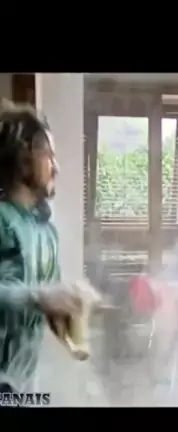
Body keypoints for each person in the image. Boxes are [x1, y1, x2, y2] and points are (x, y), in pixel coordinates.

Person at [0, 100, 88, 394]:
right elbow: (34, 296)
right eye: (48, 156)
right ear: (23, 160)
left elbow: (47, 301)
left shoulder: (47, 233)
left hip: (24, 385)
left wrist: (69, 308)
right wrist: (41, 296)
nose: (57, 168)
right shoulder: (2, 220)